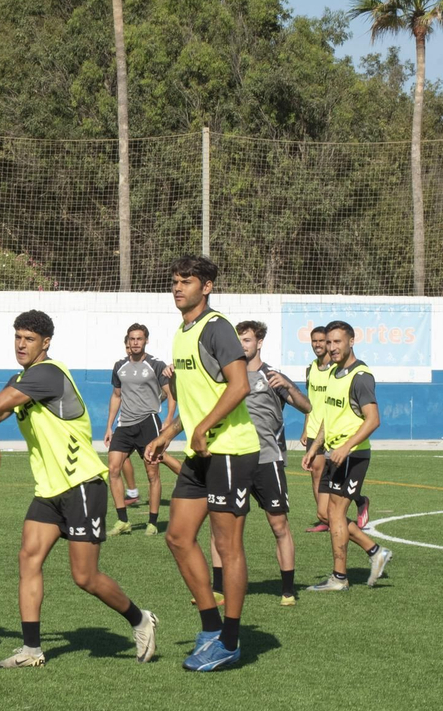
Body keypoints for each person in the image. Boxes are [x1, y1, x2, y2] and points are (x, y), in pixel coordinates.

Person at [0, 310, 157, 670]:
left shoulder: (48, 374)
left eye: (28, 339)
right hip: (49, 491)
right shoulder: (22, 378)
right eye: (17, 337)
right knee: (28, 559)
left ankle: (140, 620)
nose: (21, 344)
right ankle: (31, 650)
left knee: (85, 577)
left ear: (46, 343)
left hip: (82, 485)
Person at [143, 256, 258, 672]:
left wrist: (204, 427)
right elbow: (195, 402)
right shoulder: (182, 333)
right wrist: (167, 433)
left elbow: (240, 385)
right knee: (177, 537)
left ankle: (230, 640)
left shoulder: (217, 328)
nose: (177, 288)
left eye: (186, 281)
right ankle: (211, 627)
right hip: (200, 450)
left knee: (227, 547)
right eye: (173, 281)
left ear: (206, 287)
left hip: (231, 449)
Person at [303, 321, 394, 591]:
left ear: (351, 341)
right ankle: (375, 551)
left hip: (353, 456)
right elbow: (328, 419)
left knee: (337, 513)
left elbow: (373, 419)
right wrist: (315, 447)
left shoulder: (361, 376)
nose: (331, 347)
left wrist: (347, 447)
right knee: (325, 513)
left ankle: (339, 578)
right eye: (328, 342)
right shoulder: (333, 373)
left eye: (337, 342)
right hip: (333, 454)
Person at [236, 320, 313, 606]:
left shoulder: (271, 376)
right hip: (236, 459)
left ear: (259, 343)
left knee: (279, 525)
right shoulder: (228, 375)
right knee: (228, 527)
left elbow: (306, 406)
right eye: (239, 340)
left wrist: (289, 387)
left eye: (246, 340)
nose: (242, 345)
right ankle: (222, 587)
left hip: (268, 459)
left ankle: (288, 590)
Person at [103, 323, 179, 536]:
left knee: (152, 473)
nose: (135, 342)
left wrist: (169, 419)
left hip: (148, 422)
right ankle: (122, 521)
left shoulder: (155, 365)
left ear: (146, 341)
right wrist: (109, 425)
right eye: (132, 339)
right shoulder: (119, 366)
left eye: (139, 339)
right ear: (127, 341)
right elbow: (116, 396)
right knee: (113, 469)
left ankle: (152, 523)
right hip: (124, 425)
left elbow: (171, 394)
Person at [301, 325, 334, 532]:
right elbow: (308, 402)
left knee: (333, 476)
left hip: (331, 430)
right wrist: (305, 429)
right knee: (315, 472)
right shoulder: (310, 368)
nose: (318, 345)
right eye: (314, 341)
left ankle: (358, 501)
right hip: (313, 430)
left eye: (322, 341)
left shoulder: (336, 370)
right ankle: (325, 518)